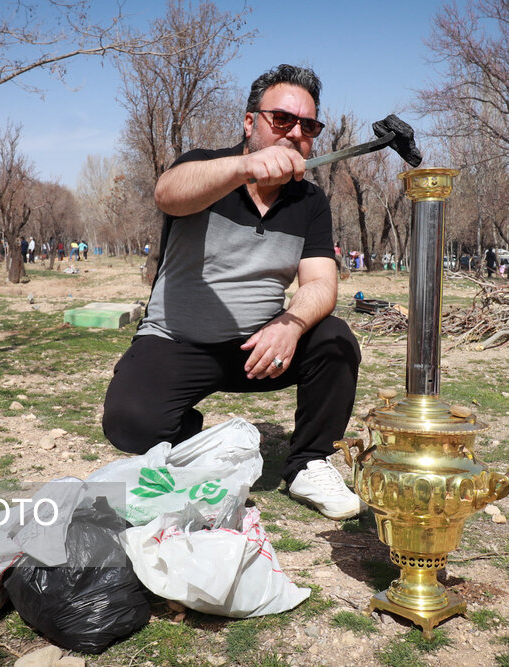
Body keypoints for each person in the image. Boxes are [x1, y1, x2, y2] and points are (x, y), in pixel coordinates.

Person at [102, 64, 363, 520]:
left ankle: (308, 463)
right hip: (176, 341)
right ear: (250, 122)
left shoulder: (310, 201)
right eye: (282, 119)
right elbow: (168, 194)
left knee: (336, 340)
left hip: (259, 347)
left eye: (308, 126)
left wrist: (292, 323)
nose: (295, 133)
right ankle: (192, 442)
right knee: (128, 424)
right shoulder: (205, 168)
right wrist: (243, 168)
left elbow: (322, 282)